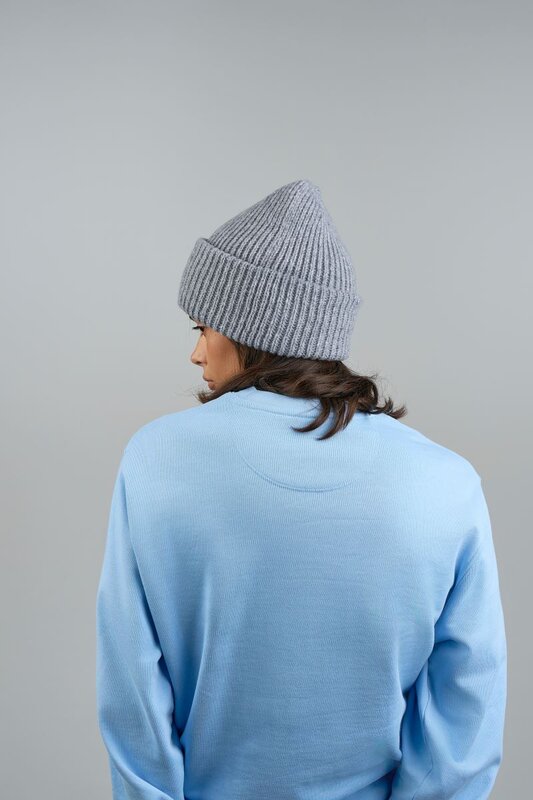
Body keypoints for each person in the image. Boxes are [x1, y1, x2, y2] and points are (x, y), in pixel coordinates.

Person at [95, 179, 507, 800]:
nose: (196, 353)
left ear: (250, 329)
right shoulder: (445, 481)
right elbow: (467, 697)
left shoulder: (158, 457)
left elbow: (132, 687)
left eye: (204, 327)